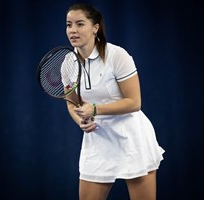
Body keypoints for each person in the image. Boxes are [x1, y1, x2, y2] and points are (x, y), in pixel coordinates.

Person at [64, 3, 164, 200]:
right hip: (98, 139)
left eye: (80, 24)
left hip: (131, 138)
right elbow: (71, 103)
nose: (73, 30)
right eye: (69, 25)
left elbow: (134, 102)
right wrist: (81, 121)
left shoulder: (117, 55)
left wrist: (94, 109)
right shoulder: (67, 62)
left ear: (95, 27)